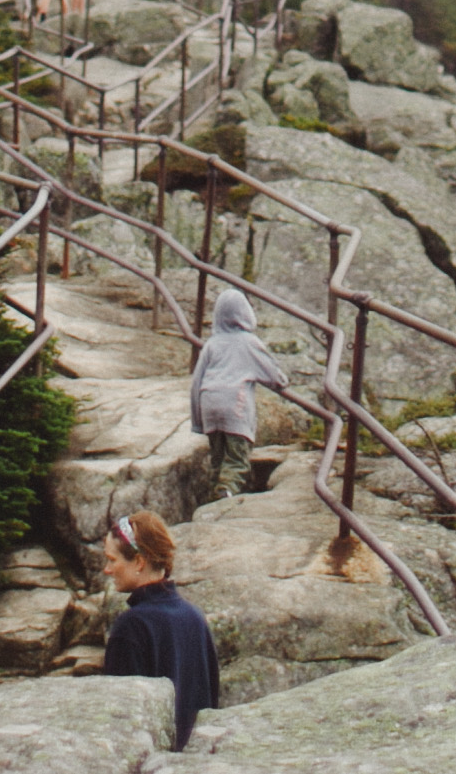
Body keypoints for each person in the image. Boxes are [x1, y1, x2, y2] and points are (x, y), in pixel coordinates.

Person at [97, 509, 219, 746]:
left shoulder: (131, 627)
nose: (107, 569)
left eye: (112, 560)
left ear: (139, 562)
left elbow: (121, 720)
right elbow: (211, 706)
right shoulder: (195, 618)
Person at [188, 285, 285, 498]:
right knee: (237, 461)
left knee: (218, 459)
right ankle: (226, 492)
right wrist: (282, 380)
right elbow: (275, 377)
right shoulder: (249, 343)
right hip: (235, 407)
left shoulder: (212, 344)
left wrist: (197, 422)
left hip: (209, 404)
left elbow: (196, 383)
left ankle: (213, 499)